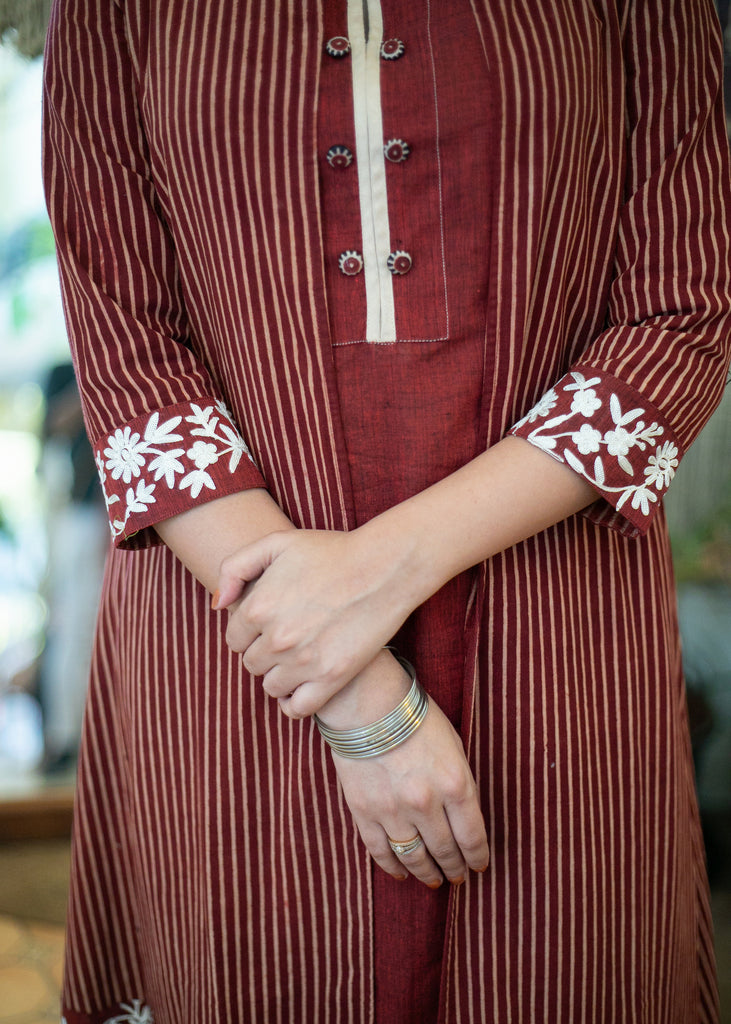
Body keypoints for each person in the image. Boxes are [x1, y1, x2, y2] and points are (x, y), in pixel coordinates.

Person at [42, 1, 730, 1022]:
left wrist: (384, 568)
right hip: (236, 643)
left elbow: (681, 314)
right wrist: (358, 698)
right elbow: (126, 352)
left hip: (550, 640)